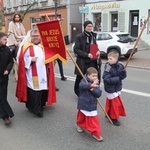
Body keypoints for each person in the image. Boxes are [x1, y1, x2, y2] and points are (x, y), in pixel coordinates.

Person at [16, 29, 56, 117]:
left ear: (39, 37)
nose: (35, 38)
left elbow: (50, 57)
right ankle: (36, 109)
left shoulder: (43, 46)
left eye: (37, 36)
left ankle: (41, 105)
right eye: (33, 36)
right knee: (35, 90)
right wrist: (30, 60)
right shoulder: (26, 46)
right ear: (31, 37)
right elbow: (22, 60)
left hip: (43, 72)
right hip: (32, 72)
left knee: (43, 89)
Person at [73, 20, 101, 97]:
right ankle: (79, 92)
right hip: (83, 62)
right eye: (88, 26)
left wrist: (98, 51)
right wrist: (87, 54)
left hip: (92, 61)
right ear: (85, 27)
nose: (90, 28)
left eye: (91, 26)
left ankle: (92, 90)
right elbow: (76, 49)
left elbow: (95, 46)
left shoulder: (93, 36)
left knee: (92, 77)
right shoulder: (79, 37)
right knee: (81, 77)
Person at [76, 67, 103, 142]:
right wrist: (90, 85)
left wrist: (93, 89)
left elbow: (99, 94)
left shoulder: (97, 83)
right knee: (81, 117)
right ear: (88, 75)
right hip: (83, 103)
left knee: (93, 120)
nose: (95, 77)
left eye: (96, 76)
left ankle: (95, 133)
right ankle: (79, 125)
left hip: (92, 105)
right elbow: (82, 86)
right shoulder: (83, 81)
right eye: (93, 76)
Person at [102, 50, 127, 126]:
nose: (108, 60)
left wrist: (124, 72)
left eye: (111, 59)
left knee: (111, 102)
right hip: (110, 88)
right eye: (108, 58)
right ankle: (113, 118)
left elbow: (123, 76)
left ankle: (108, 112)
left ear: (116, 59)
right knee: (115, 104)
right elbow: (106, 79)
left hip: (117, 87)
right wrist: (118, 78)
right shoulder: (108, 67)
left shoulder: (120, 65)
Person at [0, 32, 14, 125]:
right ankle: (6, 116)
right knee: (1, 97)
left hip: (4, 77)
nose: (6, 41)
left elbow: (11, 61)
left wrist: (7, 69)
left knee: (3, 95)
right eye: (4, 39)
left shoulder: (7, 49)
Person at [7, 13, 26, 81]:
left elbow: (24, 33)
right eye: (16, 17)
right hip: (14, 41)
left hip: (21, 40)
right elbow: (11, 33)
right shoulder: (11, 24)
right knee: (15, 52)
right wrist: (15, 42)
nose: (17, 18)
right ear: (14, 18)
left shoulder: (21, 24)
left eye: (18, 17)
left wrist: (24, 39)